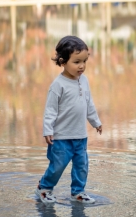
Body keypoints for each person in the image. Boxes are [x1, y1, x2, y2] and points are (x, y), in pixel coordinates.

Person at [37, 36, 103, 204]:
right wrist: (48, 130)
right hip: (61, 137)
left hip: (80, 135)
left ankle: (78, 192)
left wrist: (95, 121)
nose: (82, 66)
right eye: (76, 62)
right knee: (57, 166)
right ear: (63, 61)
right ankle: (44, 188)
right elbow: (50, 110)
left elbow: (89, 103)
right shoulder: (58, 85)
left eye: (84, 61)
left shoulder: (84, 81)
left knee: (81, 166)